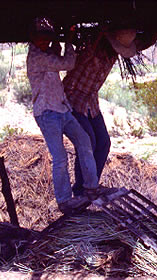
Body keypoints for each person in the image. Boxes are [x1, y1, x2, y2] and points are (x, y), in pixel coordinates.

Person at [26, 18, 102, 213]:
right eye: (40, 38)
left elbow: (55, 52)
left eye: (46, 38)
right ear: (32, 39)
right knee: (60, 158)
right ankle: (64, 200)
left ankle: (91, 187)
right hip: (47, 113)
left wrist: (59, 40)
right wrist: (68, 40)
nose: (44, 42)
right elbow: (68, 63)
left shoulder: (44, 53)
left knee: (84, 142)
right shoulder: (36, 58)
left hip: (62, 109)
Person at [63, 29, 136, 196]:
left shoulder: (111, 57)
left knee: (104, 143)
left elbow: (145, 42)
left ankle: (92, 183)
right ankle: (82, 188)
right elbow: (71, 77)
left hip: (91, 103)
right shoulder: (91, 52)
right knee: (88, 143)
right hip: (73, 100)